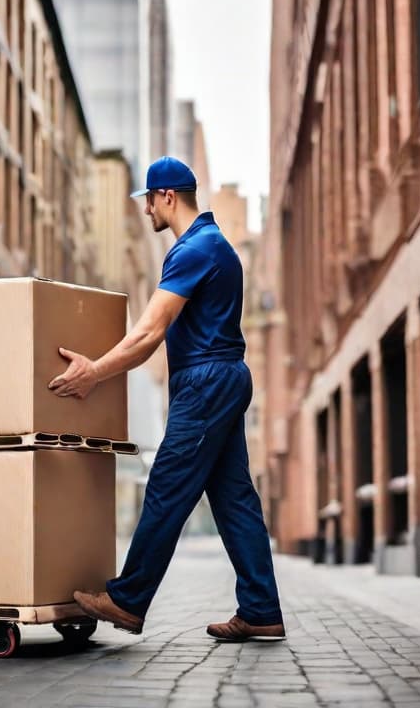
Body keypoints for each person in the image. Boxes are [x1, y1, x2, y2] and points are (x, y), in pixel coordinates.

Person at [48, 156, 285, 642]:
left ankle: (129, 598)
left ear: (168, 197)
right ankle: (261, 608)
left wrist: (93, 373)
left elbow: (148, 332)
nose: (145, 210)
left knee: (166, 487)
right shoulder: (215, 246)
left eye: (148, 200)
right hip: (222, 379)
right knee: (235, 499)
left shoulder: (194, 249)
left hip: (206, 383)